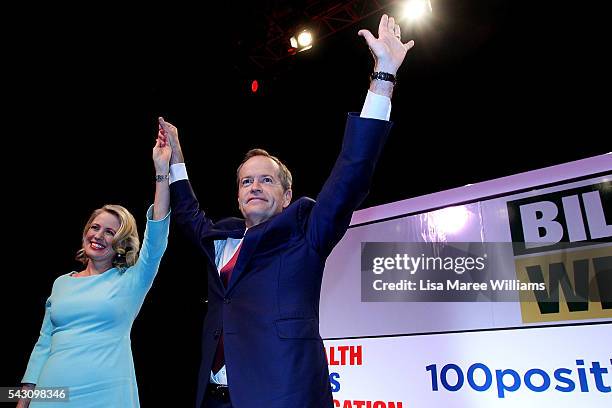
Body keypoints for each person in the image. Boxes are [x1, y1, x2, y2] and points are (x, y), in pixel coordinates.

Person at [161, 14, 414, 408]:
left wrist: (383, 75)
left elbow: (351, 174)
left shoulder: (306, 232)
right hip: (211, 398)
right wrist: (175, 158)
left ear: (286, 194)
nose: (255, 187)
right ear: (238, 196)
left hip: (281, 396)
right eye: (247, 181)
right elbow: (188, 213)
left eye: (266, 180)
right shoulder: (220, 239)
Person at [17, 133, 172, 407]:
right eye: (95, 227)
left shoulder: (131, 280)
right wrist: (23, 399)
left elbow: (157, 236)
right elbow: (43, 345)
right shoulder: (61, 283)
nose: (99, 235)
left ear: (121, 243)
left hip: (106, 395)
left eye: (110, 232)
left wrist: (162, 171)